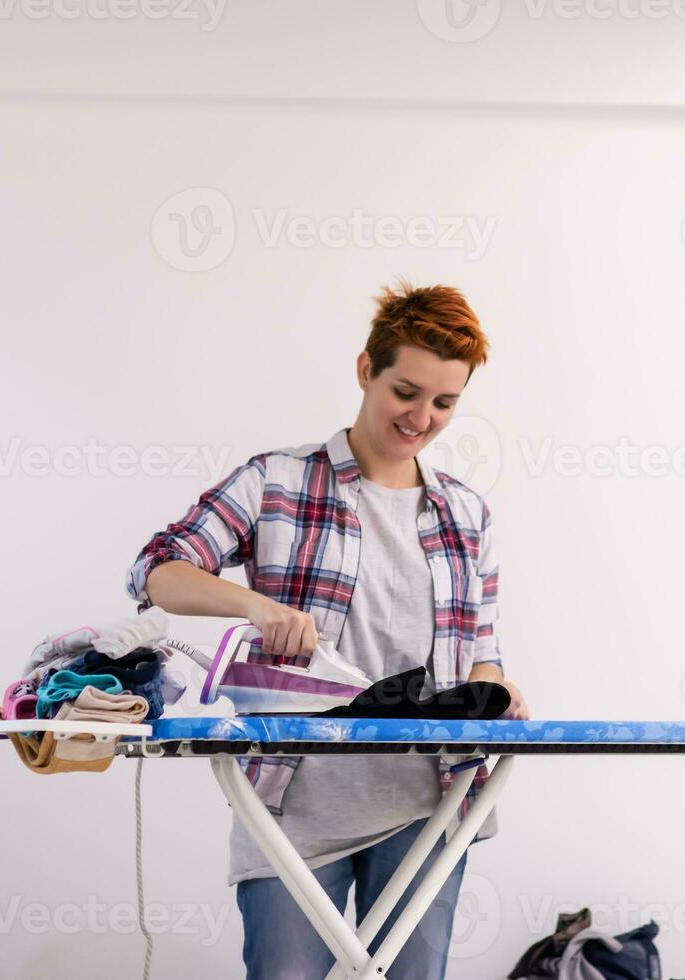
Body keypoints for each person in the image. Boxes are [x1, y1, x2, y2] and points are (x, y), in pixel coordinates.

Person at [125, 280, 530, 980]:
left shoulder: (467, 515)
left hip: (427, 807)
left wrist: (493, 691)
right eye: (406, 391)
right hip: (294, 805)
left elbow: (482, 655)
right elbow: (153, 570)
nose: (421, 417)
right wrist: (254, 607)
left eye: (444, 402)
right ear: (365, 369)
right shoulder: (276, 482)